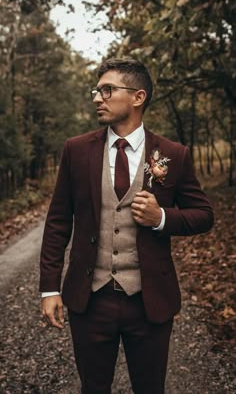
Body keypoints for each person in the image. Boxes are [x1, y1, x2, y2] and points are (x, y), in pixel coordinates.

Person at [40, 58, 214, 394]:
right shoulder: (76, 150)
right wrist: (50, 288)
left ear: (137, 97)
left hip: (149, 300)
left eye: (107, 90)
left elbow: (203, 214)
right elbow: (58, 221)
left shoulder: (173, 154)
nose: (97, 98)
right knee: (93, 387)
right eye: (97, 90)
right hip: (90, 299)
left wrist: (161, 217)